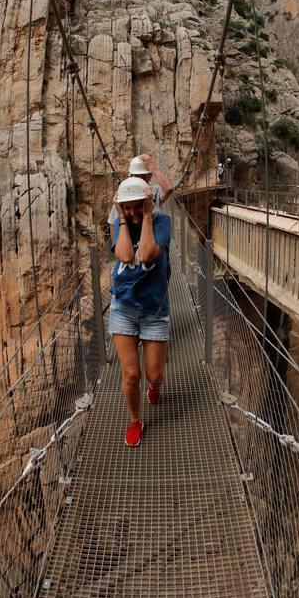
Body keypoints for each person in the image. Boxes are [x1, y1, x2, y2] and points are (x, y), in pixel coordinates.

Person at [109, 176, 171, 447]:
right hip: (123, 307)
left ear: (146, 203)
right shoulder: (118, 223)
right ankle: (135, 420)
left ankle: (154, 388)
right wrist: (122, 218)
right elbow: (124, 255)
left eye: (137, 206)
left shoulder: (162, 222)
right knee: (131, 374)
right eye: (127, 207)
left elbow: (145, 254)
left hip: (154, 309)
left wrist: (146, 215)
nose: (132, 212)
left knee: (154, 376)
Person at [107, 155, 173, 242]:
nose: (140, 179)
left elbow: (168, 189)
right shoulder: (123, 195)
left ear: (149, 176)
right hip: (130, 245)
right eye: (136, 176)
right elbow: (112, 224)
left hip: (152, 241)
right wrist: (116, 246)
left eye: (143, 175)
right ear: (131, 176)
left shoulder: (154, 191)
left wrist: (154, 169)